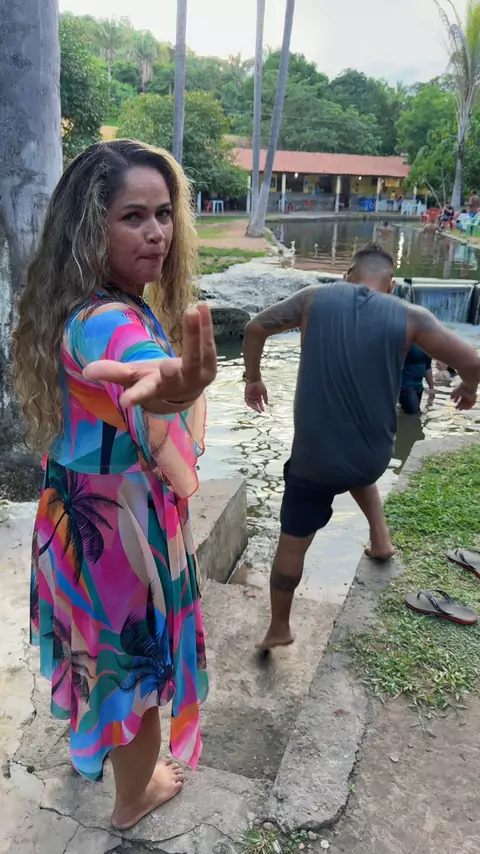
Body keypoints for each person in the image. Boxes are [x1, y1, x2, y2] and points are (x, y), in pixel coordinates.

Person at [12, 139, 217, 830]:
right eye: (133, 216)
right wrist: (176, 388)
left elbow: (148, 373)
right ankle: (135, 798)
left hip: (76, 518)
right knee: (136, 675)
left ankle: (97, 753)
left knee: (96, 654)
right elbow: (142, 366)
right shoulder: (108, 319)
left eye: (164, 214)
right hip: (119, 534)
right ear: (90, 227)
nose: (157, 233)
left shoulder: (76, 304)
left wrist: (175, 386)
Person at [242, 243, 480, 652]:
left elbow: (254, 328)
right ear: (391, 284)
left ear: (347, 275)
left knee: (292, 543)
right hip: (372, 457)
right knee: (356, 467)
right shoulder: (411, 316)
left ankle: (279, 626)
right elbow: (472, 361)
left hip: (314, 464)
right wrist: (468, 388)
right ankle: (381, 541)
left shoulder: (313, 298)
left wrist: (253, 378)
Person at [399, 344, 435, 414]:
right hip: (406, 385)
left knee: (410, 413)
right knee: (414, 413)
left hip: (419, 386)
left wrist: (431, 387)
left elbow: (427, 367)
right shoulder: (407, 342)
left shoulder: (427, 345)